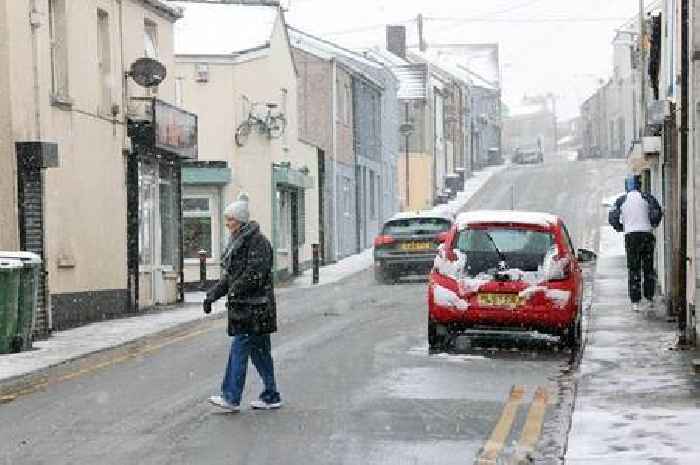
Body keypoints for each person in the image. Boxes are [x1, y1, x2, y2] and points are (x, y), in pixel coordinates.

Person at [203, 194, 281, 412]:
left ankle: (230, 397)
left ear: (241, 221)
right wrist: (213, 295)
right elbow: (231, 277)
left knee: (239, 349)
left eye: (231, 220)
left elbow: (255, 274)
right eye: (227, 220)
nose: (228, 224)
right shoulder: (239, 242)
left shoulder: (258, 243)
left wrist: (235, 292)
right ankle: (271, 395)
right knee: (260, 354)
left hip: (254, 308)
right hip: (250, 307)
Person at [608, 175, 663, 312]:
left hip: (631, 236)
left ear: (627, 186)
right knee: (648, 267)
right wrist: (653, 224)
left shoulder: (621, 200)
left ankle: (635, 300)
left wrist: (620, 227)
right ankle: (649, 297)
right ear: (639, 185)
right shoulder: (647, 197)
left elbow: (612, 217)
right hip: (646, 234)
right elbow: (657, 211)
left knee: (634, 268)